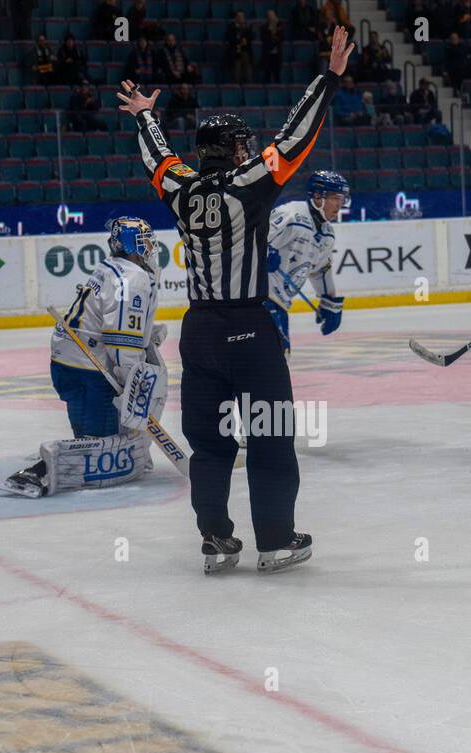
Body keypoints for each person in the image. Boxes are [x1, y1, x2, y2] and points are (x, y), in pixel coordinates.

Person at [116, 25, 354, 574]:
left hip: (198, 334)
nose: (250, 149)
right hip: (250, 330)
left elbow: (159, 159)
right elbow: (296, 136)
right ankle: (275, 541)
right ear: (235, 150)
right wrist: (330, 77)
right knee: (269, 439)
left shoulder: (181, 188)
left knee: (211, 444)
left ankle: (216, 541)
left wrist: (144, 115)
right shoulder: (250, 182)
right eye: (244, 143)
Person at [0, 218, 167, 498]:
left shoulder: (109, 267)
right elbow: (121, 340)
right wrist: (131, 382)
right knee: (100, 449)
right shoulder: (133, 277)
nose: (150, 248)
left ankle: (83, 446)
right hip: (91, 370)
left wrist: (148, 334)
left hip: (68, 363)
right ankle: (39, 471)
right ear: (130, 245)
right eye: (145, 242)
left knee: (91, 437)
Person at [264, 170, 348, 353]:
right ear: (318, 196)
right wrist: (263, 252)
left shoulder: (327, 233)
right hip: (258, 299)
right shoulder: (291, 214)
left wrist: (329, 300)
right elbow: (252, 238)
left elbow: (320, 270)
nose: (339, 205)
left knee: (276, 360)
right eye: (335, 198)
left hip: (278, 304)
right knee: (274, 360)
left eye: (342, 199)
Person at [226, 11, 254, 83]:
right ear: (236, 18)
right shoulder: (231, 26)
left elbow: (253, 36)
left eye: (242, 16)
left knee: (248, 74)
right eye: (239, 16)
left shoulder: (247, 26)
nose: (241, 18)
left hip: (246, 52)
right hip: (235, 53)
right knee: (236, 74)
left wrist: (246, 40)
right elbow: (229, 38)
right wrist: (239, 41)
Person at [260, 11, 284, 83]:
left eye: (272, 16)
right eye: (269, 16)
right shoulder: (264, 27)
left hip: (277, 53)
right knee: (267, 73)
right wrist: (270, 31)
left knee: (277, 74)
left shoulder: (279, 26)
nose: (271, 18)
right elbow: (264, 39)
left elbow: (282, 38)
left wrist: (275, 33)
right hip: (268, 53)